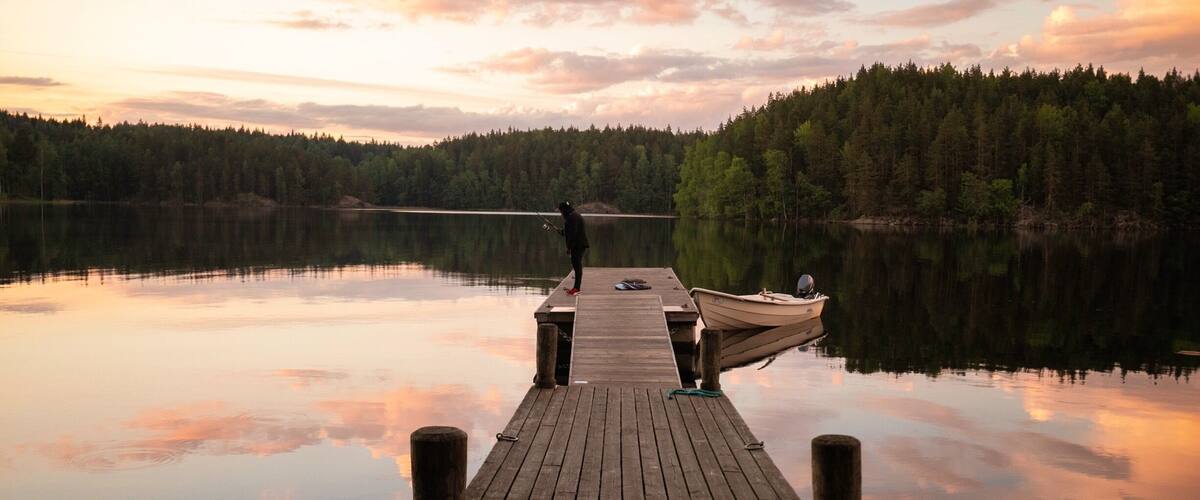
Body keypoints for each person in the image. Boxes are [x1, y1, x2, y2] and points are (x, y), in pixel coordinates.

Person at [557, 201, 589, 296]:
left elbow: (573, 234)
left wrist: (569, 247)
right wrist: (561, 231)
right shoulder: (574, 216)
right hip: (579, 244)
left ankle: (576, 288)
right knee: (576, 266)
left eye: (561, 211)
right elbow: (569, 231)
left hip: (577, 245)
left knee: (577, 266)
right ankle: (576, 287)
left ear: (564, 210)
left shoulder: (572, 218)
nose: (561, 213)